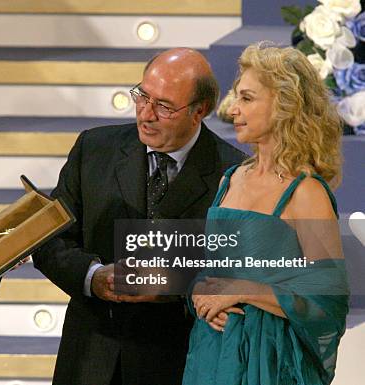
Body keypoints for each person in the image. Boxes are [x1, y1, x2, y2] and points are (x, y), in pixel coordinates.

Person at [32, 48, 246, 385]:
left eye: (164, 106)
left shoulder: (233, 172)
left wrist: (171, 286)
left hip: (179, 359)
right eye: (141, 96)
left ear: (199, 111)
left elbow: (238, 270)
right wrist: (94, 277)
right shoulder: (94, 148)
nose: (146, 114)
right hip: (91, 356)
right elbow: (49, 241)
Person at [183, 43, 349, 385]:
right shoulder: (230, 179)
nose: (232, 110)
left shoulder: (306, 193)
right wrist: (199, 289)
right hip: (211, 355)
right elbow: (212, 268)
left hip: (269, 365)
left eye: (247, 98)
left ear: (285, 105)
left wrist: (243, 289)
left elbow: (328, 303)